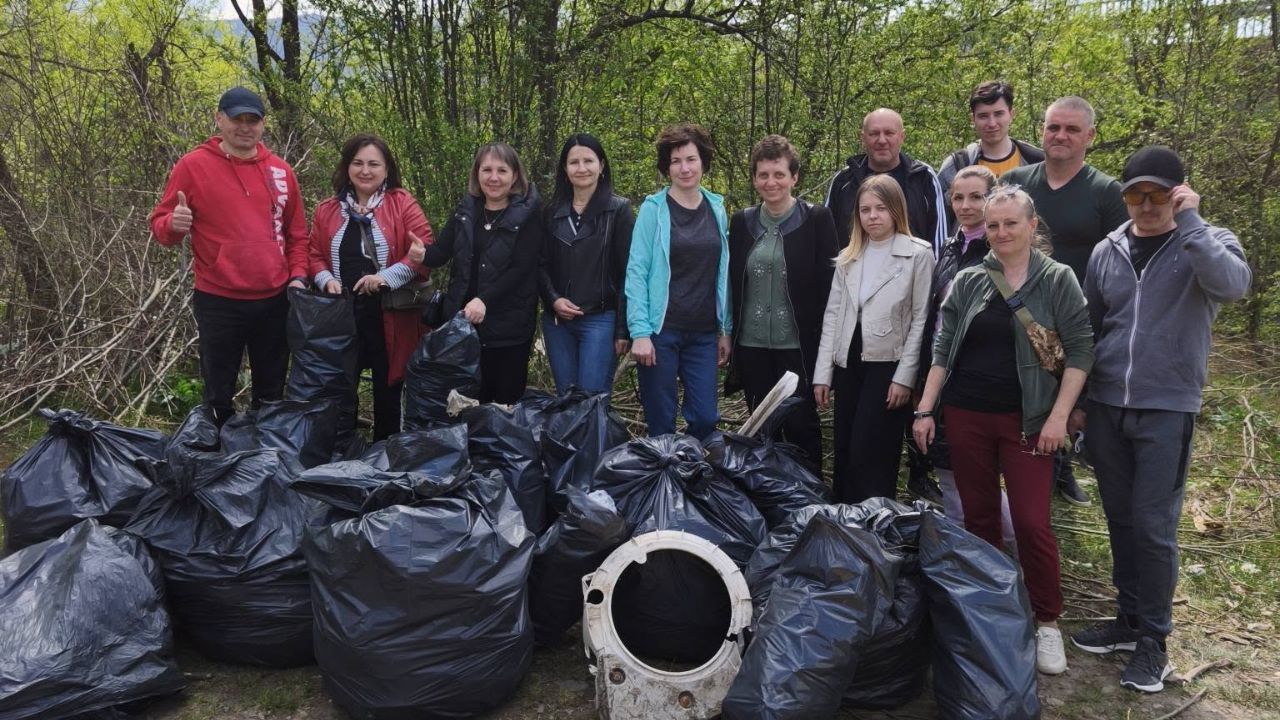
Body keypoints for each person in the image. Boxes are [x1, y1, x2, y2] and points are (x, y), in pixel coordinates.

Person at [1069, 146, 1250, 693]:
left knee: (1154, 527)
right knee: (1121, 520)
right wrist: (1078, 401)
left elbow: (1233, 287)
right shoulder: (1107, 250)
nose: (1146, 206)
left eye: (1158, 195)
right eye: (1135, 195)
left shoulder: (1208, 241)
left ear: (1179, 193)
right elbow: (1090, 327)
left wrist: (1191, 223)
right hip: (1107, 406)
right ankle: (1127, 621)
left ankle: (1154, 640)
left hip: (1167, 408)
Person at [912, 185, 1094, 677]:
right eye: (993, 225)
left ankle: (1047, 620)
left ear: (1032, 225)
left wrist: (1059, 417)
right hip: (967, 414)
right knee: (980, 519)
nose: (1001, 232)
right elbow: (942, 349)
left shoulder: (1057, 279)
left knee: (1032, 523)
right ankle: (993, 610)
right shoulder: (970, 279)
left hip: (1029, 421)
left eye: (1011, 223)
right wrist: (925, 409)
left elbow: (1081, 351)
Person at [149, 86, 309, 425]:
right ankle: (217, 448)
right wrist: (174, 224)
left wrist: (298, 276)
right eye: (238, 119)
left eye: (253, 120)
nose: (245, 127)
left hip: (275, 298)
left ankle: (263, 450)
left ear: (263, 124)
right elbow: (161, 227)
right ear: (220, 119)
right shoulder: (193, 166)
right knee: (218, 393)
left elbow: (297, 234)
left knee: (271, 393)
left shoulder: (281, 172)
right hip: (218, 299)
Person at [1002, 95, 1129, 506]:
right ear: (1042, 130)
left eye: (1072, 129)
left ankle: (1063, 468)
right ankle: (1019, 469)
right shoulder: (1017, 181)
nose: (1060, 135)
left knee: (1066, 402)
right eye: (1053, 127)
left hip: (1078, 317)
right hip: (1017, 310)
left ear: (1090, 136)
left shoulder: (1106, 192)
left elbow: (1121, 262)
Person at [814, 175, 933, 502]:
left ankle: (875, 516)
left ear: (896, 209)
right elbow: (833, 315)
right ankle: (843, 516)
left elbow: (920, 320)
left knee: (872, 448)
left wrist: (905, 377)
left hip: (887, 363)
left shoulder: (917, 254)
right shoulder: (849, 256)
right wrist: (823, 373)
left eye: (881, 208)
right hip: (849, 359)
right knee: (845, 445)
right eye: (865, 210)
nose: (873, 216)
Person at [308, 134, 434, 440]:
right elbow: (313, 254)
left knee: (389, 388)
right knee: (340, 388)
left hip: (391, 314)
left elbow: (424, 252)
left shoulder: (402, 204)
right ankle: (342, 451)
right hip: (342, 313)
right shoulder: (327, 209)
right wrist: (326, 280)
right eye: (358, 163)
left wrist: (385, 278)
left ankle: (387, 452)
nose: (365, 171)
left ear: (386, 169)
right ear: (347, 167)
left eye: (373, 164)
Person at [726, 134, 839, 470]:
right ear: (754, 179)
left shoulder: (817, 219)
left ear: (794, 177)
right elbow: (731, 283)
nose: (771, 182)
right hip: (752, 345)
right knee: (762, 428)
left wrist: (827, 349)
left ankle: (809, 494)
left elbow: (831, 286)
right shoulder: (741, 222)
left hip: (798, 346)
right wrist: (726, 333)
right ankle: (767, 494)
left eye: (779, 174)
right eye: (763, 175)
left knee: (801, 426)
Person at [922, 164, 1016, 552]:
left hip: (981, 377)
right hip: (941, 372)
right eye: (958, 197)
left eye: (976, 197)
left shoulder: (1000, 251)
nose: (966, 205)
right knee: (948, 468)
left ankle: (1010, 550)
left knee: (980, 477)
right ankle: (965, 555)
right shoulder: (949, 247)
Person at [626, 123, 731, 440]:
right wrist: (640, 332)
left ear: (703, 162)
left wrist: (724, 329)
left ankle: (692, 468)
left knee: (705, 417)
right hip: (661, 331)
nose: (684, 168)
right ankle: (663, 471)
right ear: (666, 167)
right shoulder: (653, 210)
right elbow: (636, 271)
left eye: (691, 159)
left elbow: (722, 273)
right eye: (676, 161)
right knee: (661, 421)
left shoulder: (716, 208)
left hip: (703, 333)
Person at [422, 142, 541, 404]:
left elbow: (522, 269)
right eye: (487, 170)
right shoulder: (466, 210)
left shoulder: (529, 214)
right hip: (465, 327)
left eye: (502, 170)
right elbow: (441, 252)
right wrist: (421, 254)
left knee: (503, 407)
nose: (494, 177)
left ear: (515, 176)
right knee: (464, 404)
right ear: (477, 173)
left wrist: (484, 299)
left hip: (509, 327)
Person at [538, 134, 635, 395]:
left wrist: (623, 330)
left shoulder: (619, 210)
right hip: (558, 322)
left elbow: (628, 272)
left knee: (592, 399)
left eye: (588, 161)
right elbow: (539, 264)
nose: (581, 168)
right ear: (565, 168)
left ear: (601, 165)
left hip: (600, 320)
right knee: (567, 399)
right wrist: (553, 299)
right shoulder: (551, 212)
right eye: (574, 162)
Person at [825, 108, 948, 258]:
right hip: (852, 270)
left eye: (889, 133)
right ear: (863, 138)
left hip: (913, 270)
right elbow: (826, 238)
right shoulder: (843, 180)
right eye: (874, 134)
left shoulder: (923, 177)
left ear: (902, 136)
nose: (882, 140)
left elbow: (940, 241)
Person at [936, 80, 1045, 223]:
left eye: (998, 114)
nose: (992, 123)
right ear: (972, 119)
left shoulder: (1037, 162)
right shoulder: (957, 165)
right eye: (983, 116)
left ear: (1011, 114)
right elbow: (940, 219)